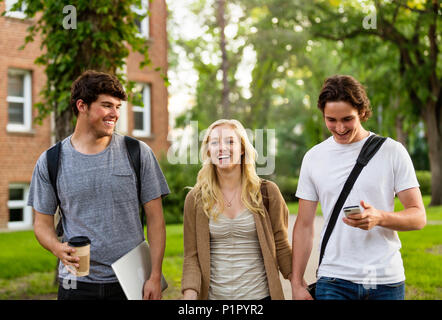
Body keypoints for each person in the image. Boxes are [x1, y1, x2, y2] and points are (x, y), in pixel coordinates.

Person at [28, 70, 170, 300]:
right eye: (107, 105)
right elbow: (41, 224)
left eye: (117, 107)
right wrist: (57, 247)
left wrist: (154, 276)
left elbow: (156, 221)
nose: (114, 113)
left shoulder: (138, 153)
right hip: (76, 284)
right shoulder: (51, 161)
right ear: (82, 105)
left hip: (129, 283)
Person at [291, 75, 426, 300]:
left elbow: (419, 216)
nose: (340, 127)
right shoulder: (313, 158)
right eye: (331, 120)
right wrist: (296, 283)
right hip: (334, 279)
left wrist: (380, 217)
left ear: (362, 112)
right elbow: (304, 225)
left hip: (385, 281)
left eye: (347, 119)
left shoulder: (392, 152)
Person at [181, 119, 292, 300]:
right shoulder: (196, 199)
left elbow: (281, 245)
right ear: (209, 151)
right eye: (215, 142)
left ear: (242, 149)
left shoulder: (267, 192)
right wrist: (189, 297)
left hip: (260, 297)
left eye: (230, 141)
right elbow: (191, 257)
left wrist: (297, 283)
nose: (222, 147)